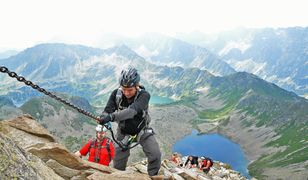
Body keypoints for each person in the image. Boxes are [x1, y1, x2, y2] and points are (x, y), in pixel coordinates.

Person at [98, 67, 161, 176]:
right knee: (118, 163)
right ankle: (119, 177)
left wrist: (111, 117)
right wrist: (104, 117)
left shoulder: (144, 95)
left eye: (130, 90)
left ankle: (153, 176)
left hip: (142, 130)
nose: (126, 93)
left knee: (155, 155)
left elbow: (131, 112)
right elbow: (107, 111)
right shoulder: (116, 94)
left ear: (137, 86)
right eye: (124, 89)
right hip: (123, 132)